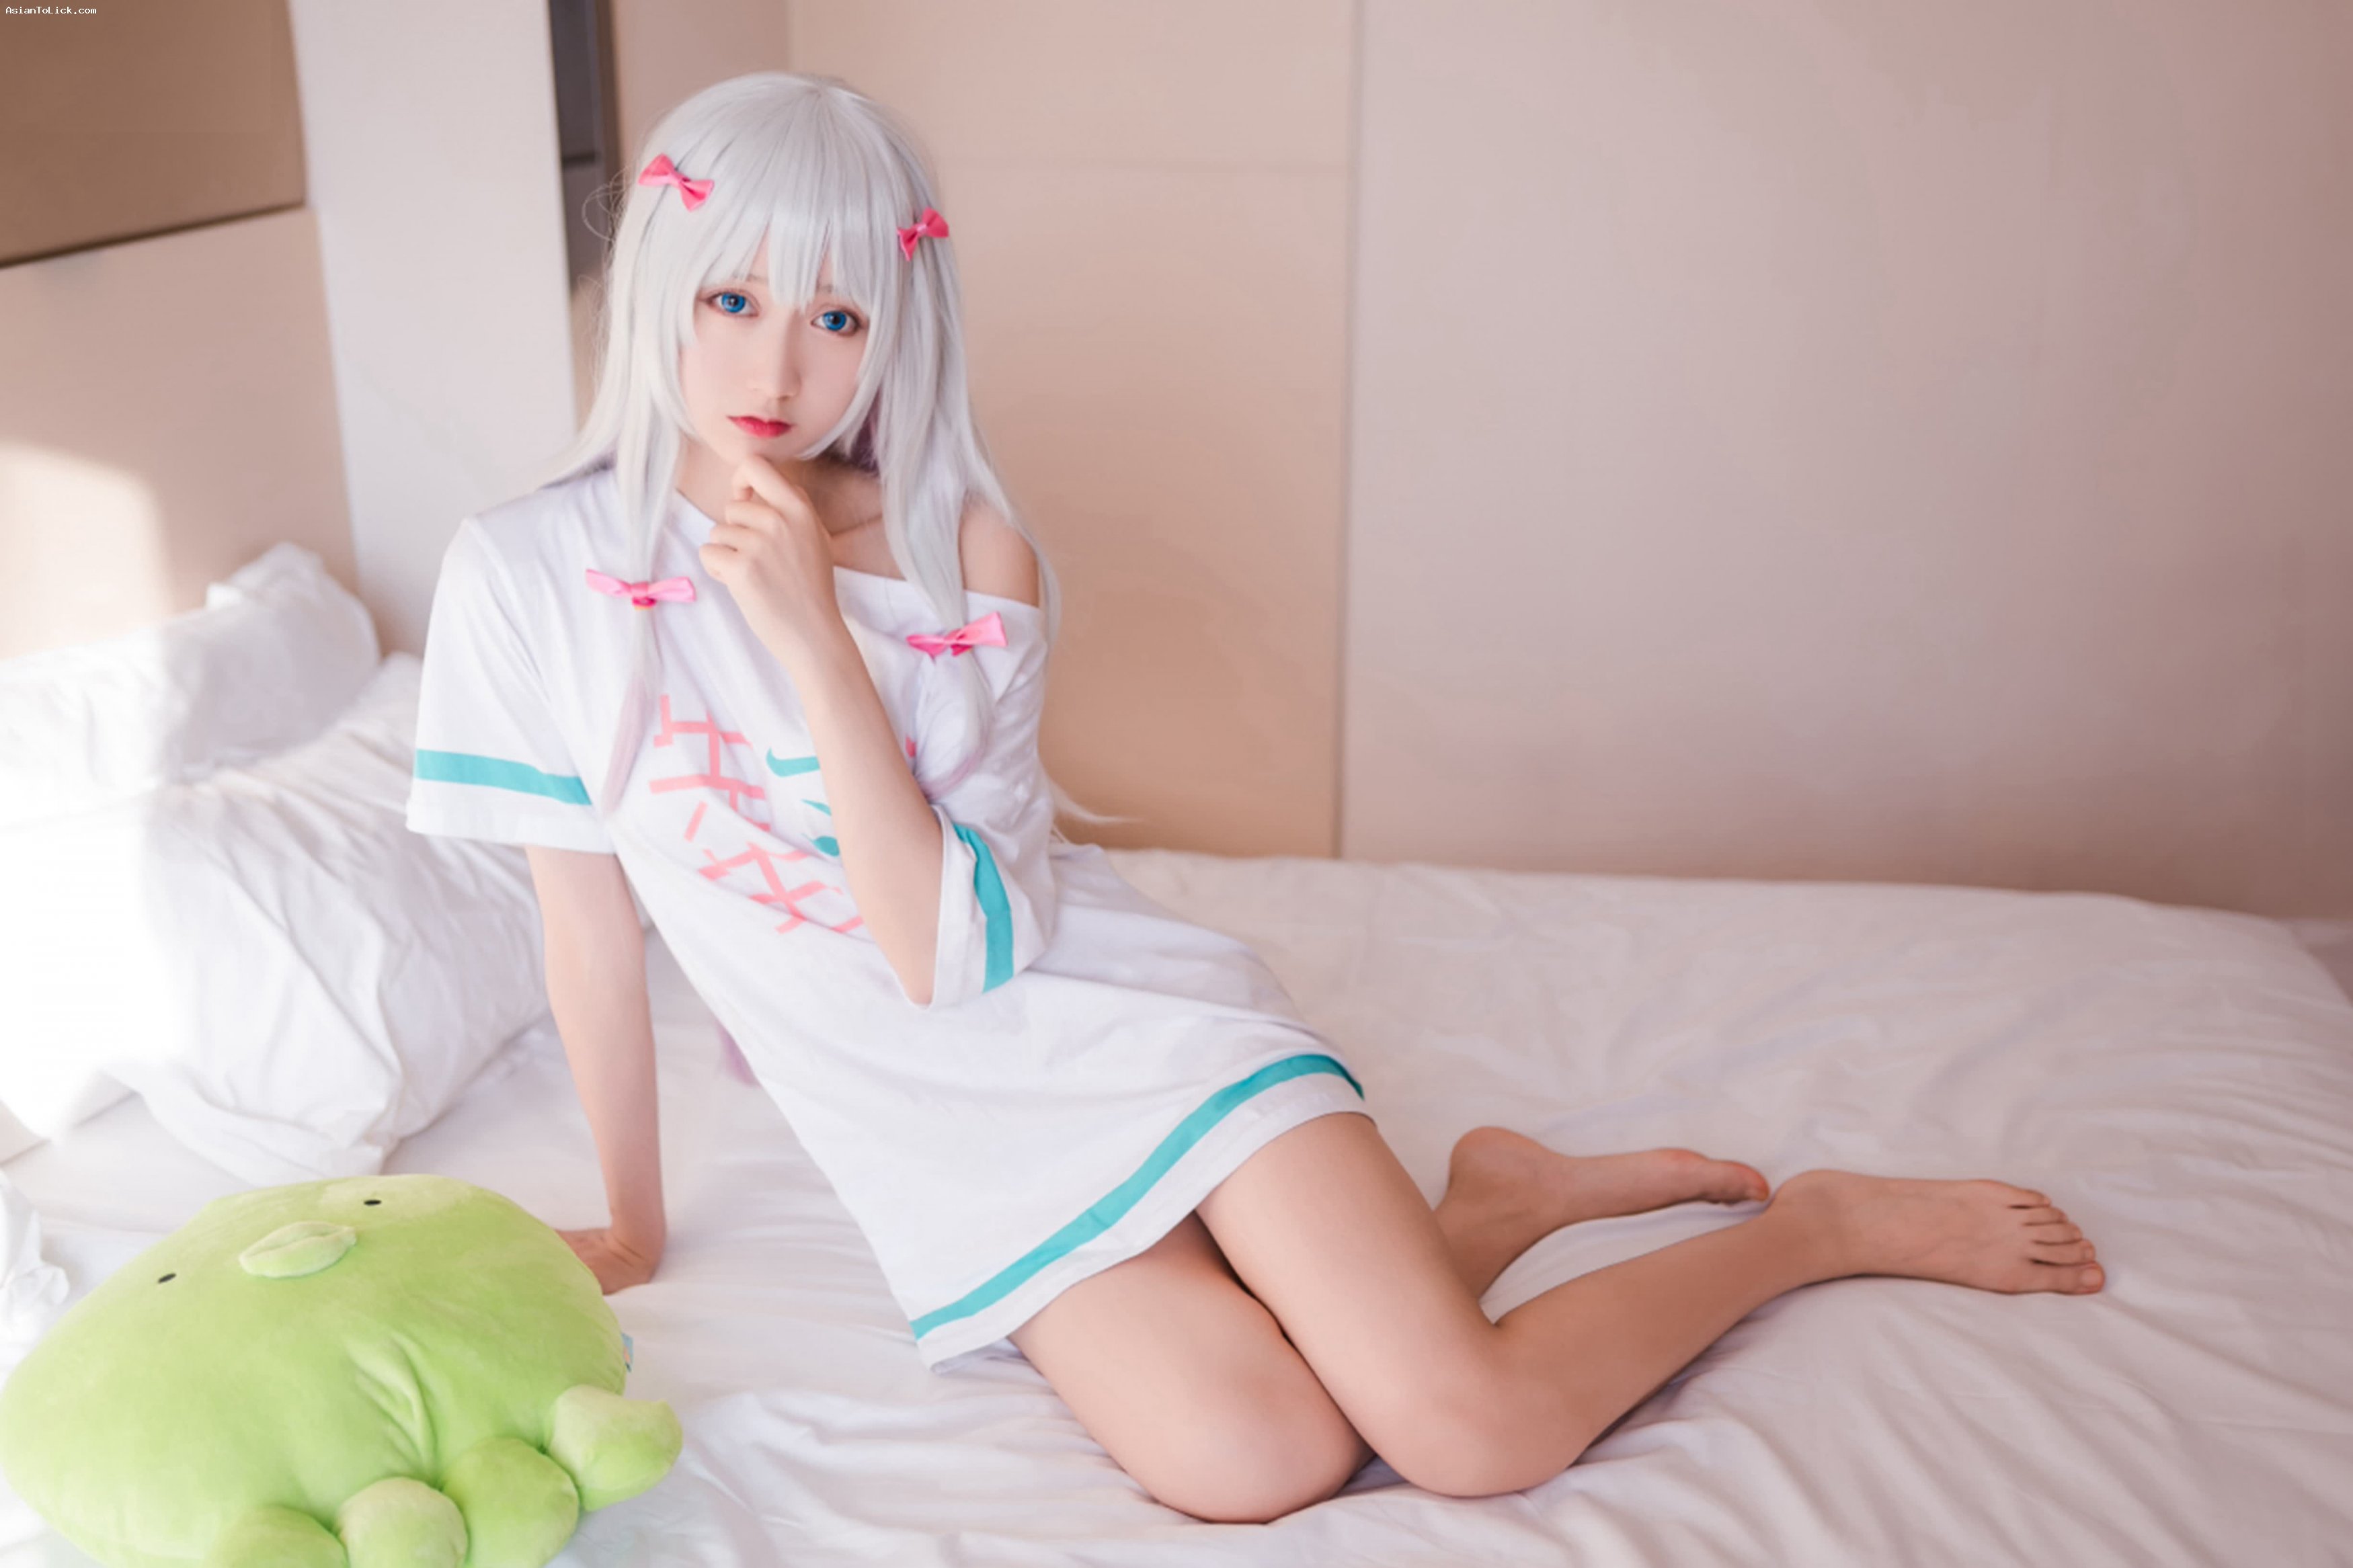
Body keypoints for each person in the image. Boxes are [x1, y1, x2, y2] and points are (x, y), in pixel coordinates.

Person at [406, 71, 2104, 1526]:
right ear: (662, 278)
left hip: (1135, 1035)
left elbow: (942, 952)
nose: (776, 366)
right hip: (950, 1149)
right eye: (732, 299)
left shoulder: (961, 554)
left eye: (835, 317)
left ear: (898, 328)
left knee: (1473, 1435)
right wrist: (634, 1221)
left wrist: (810, 640)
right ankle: (1484, 1211)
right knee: (1256, 1459)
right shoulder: (525, 578)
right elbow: (587, 929)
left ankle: (1811, 1230)